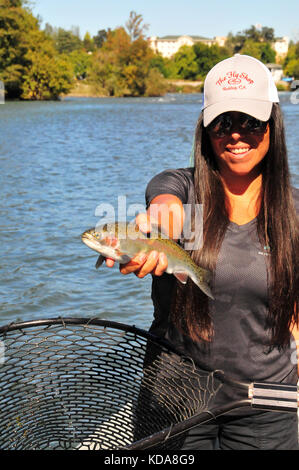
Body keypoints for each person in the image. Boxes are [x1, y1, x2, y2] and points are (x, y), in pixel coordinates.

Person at [106, 54, 299, 450]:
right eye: (223, 122)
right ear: (205, 128)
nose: (236, 134)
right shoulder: (179, 185)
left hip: (267, 407)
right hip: (176, 404)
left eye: (251, 121)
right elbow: (165, 210)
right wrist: (152, 236)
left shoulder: (294, 211)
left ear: (273, 125)